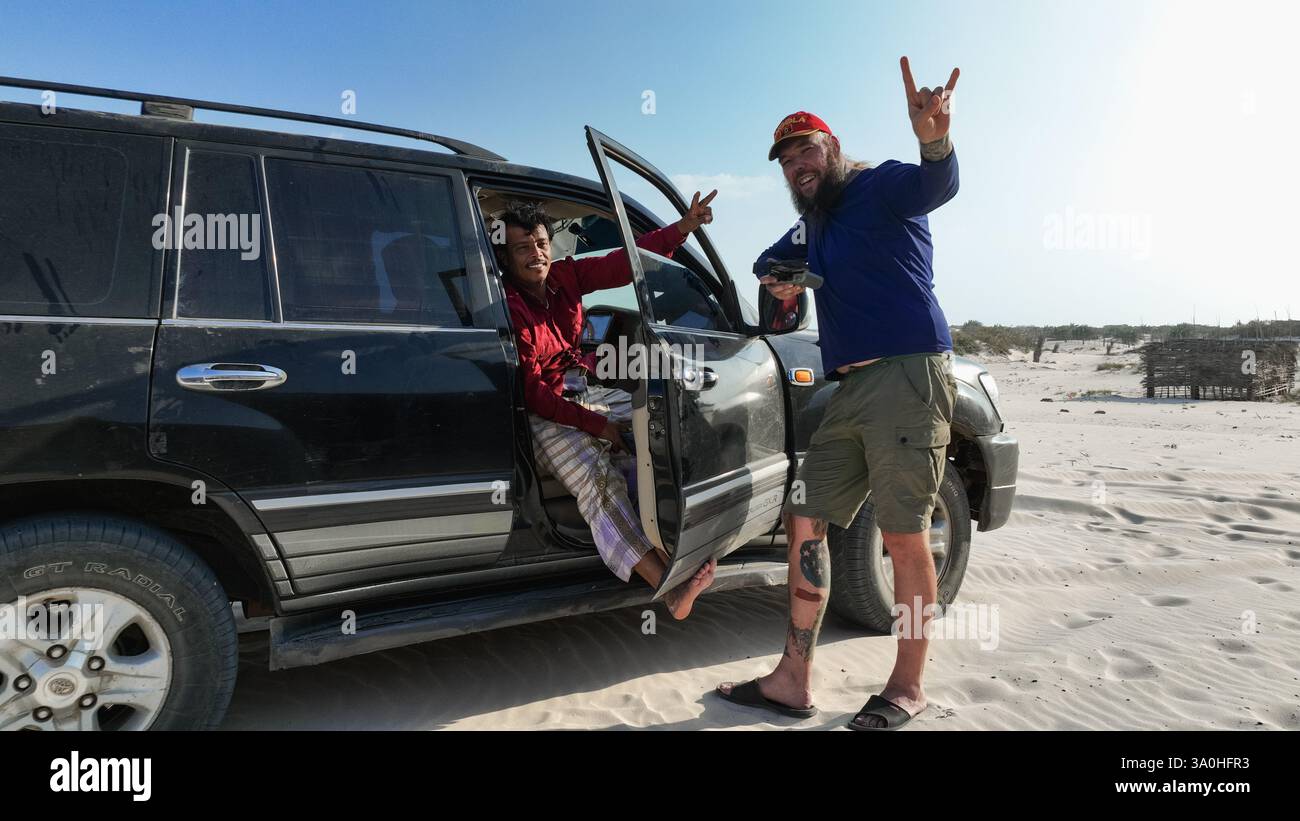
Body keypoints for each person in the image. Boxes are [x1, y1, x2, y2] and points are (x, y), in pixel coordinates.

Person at [717, 57, 962, 729]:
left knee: (904, 534)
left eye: (807, 148)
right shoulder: (815, 225)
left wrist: (933, 135)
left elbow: (939, 182)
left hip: (909, 375)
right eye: (786, 158)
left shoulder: (880, 185)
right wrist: (785, 281)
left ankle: (907, 685)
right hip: (847, 389)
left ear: (833, 147)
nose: (797, 163)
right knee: (804, 516)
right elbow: (766, 262)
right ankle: (794, 678)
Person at [496, 195, 720, 618]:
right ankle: (668, 591)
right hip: (542, 411)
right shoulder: (510, 307)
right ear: (506, 257)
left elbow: (623, 262)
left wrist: (683, 227)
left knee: (662, 417)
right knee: (597, 478)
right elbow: (534, 394)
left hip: (582, 389)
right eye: (523, 247)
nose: (536, 253)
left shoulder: (566, 277)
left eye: (541, 243)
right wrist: (599, 429)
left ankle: (685, 538)